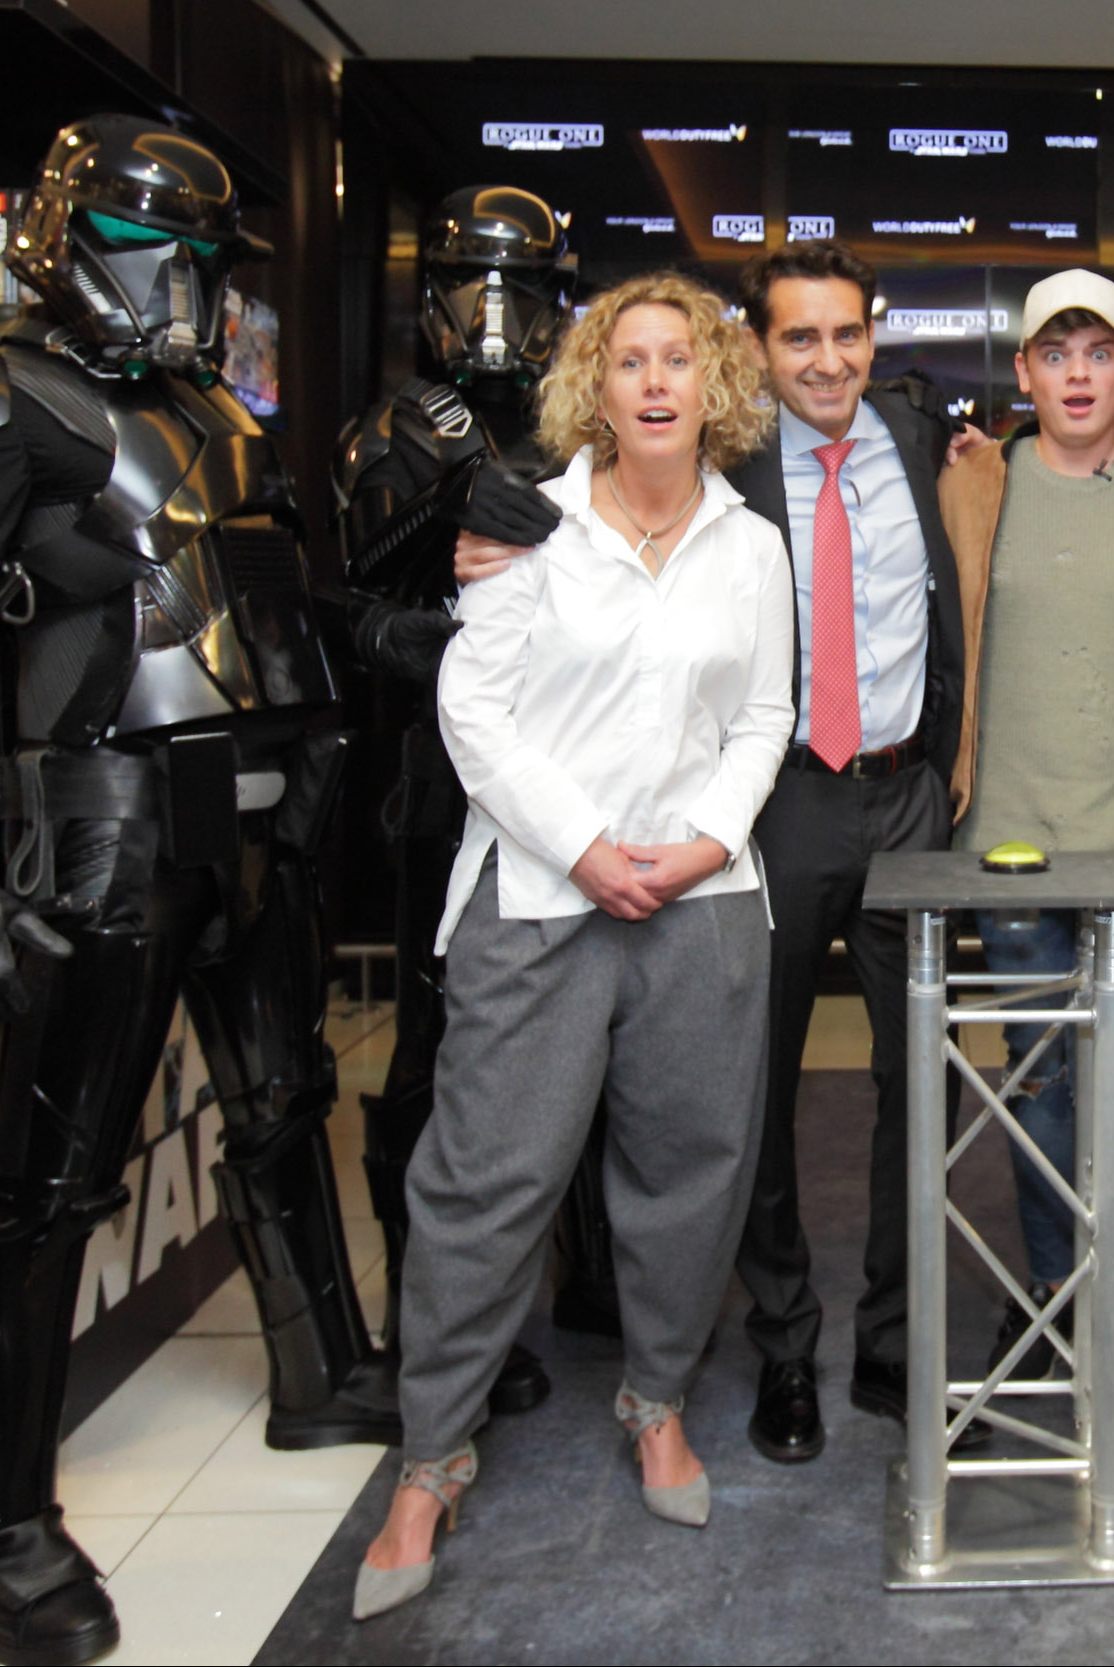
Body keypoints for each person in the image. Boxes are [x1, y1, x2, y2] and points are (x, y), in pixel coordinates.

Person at [0, 115, 395, 1667]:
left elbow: (262, 608)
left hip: (249, 820)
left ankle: (321, 1366)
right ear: (71, 242)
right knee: (47, 1180)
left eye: (210, 266)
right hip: (101, 822)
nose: (191, 294)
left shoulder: (210, 405)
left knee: (283, 1104)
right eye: (166, 257)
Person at [471, 240, 975, 1463]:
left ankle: (898, 1341)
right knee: (753, 1092)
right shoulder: (721, 457)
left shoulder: (918, 437)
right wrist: (493, 525)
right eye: (797, 337)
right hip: (773, 806)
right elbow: (591, 461)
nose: (826, 359)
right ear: (753, 349)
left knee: (926, 1078)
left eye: (845, 334)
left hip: (906, 800)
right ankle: (785, 1344)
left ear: (874, 337)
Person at [354, 271, 792, 1620]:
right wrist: (588, 848)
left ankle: (657, 1399)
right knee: (487, 1179)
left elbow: (767, 712)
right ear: (590, 388)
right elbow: (471, 712)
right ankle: (432, 1452)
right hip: (543, 898)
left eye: (678, 361)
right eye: (629, 362)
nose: (655, 383)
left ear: (712, 386)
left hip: (702, 902)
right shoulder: (526, 530)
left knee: (689, 1171)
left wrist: (708, 840)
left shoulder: (749, 542)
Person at [332, 184, 602, 1425]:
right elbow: (337, 611)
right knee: (446, 1058)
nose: (494, 319)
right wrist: (433, 637)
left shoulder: (589, 422)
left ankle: (593, 1276)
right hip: (444, 782)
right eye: (468, 288)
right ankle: (437, 1318)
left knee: (604, 1022)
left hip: (589, 769)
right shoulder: (395, 432)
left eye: (522, 292)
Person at [939, 270, 1114, 1425]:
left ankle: (1104, 1306)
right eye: (1056, 353)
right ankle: (1050, 1288)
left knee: (1112, 1085)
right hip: (1009, 840)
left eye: (1099, 352)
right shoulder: (974, 482)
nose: (1078, 373)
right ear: (1023, 373)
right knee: (1035, 1075)